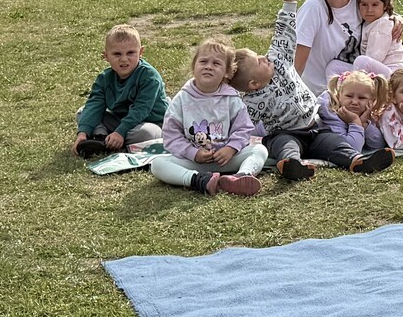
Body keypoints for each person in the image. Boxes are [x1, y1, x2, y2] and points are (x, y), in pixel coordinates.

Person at [252, 0, 390, 178]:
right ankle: (292, 164)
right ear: (252, 83)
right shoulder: (256, 98)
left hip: (315, 133)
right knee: (286, 144)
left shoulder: (288, 72)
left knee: (334, 144)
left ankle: (358, 161)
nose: (265, 58)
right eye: (260, 62)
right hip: (284, 133)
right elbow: (250, 124)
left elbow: (283, 38)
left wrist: (360, 123)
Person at [147, 40, 267, 195]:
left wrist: (231, 148)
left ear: (227, 72)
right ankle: (199, 180)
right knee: (157, 164)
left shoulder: (232, 98)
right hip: (193, 162)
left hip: (228, 160)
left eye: (216, 63)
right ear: (194, 66)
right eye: (203, 61)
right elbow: (171, 135)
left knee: (259, 150)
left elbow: (244, 128)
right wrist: (193, 153)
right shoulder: (182, 99)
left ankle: (241, 176)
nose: (209, 66)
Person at [73, 24, 169, 158]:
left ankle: (114, 139)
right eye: (117, 54)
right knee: (82, 112)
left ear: (141, 52)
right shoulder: (104, 78)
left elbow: (141, 109)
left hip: (149, 121)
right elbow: (95, 104)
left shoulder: (149, 77)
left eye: (130, 53)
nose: (124, 59)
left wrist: (121, 131)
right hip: (120, 119)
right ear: (106, 56)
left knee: (147, 133)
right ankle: (101, 138)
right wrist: (82, 132)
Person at [292, 0, 363, 94]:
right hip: (322, 93)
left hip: (360, 91)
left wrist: (396, 20)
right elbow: (296, 63)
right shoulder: (313, 7)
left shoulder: (360, 0)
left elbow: (384, 15)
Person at [321, 69, 393, 167]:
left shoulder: (365, 113)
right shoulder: (332, 115)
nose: (355, 102)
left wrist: (364, 123)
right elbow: (351, 149)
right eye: (349, 96)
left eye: (362, 98)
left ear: (372, 101)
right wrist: (355, 123)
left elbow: (377, 145)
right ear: (338, 96)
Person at [349, 0, 403, 78]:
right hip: (378, 69)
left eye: (375, 5)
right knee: (334, 65)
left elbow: (374, 58)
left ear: (385, 5)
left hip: (393, 74)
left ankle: (355, 84)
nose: (369, 10)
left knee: (362, 61)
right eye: (364, 5)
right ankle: (338, 87)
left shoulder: (382, 25)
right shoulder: (369, 22)